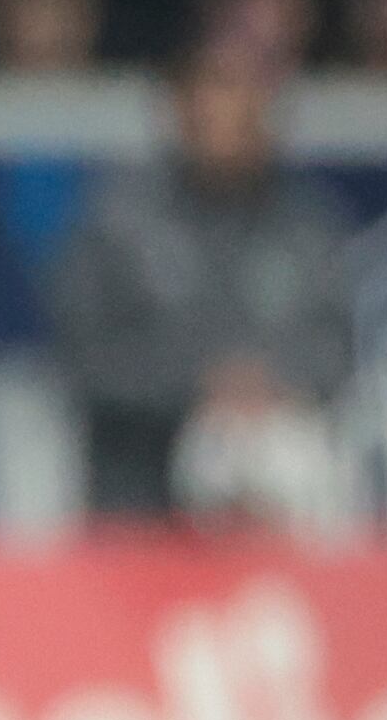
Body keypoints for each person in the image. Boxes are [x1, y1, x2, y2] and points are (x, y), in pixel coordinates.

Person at [41, 45, 354, 521]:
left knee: (288, 456)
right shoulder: (116, 222)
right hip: (141, 504)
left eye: (241, 103)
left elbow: (336, 350)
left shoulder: (307, 225)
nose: (222, 119)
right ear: (178, 111)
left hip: (279, 509)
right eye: (207, 100)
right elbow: (84, 359)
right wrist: (198, 382)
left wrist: (270, 381)